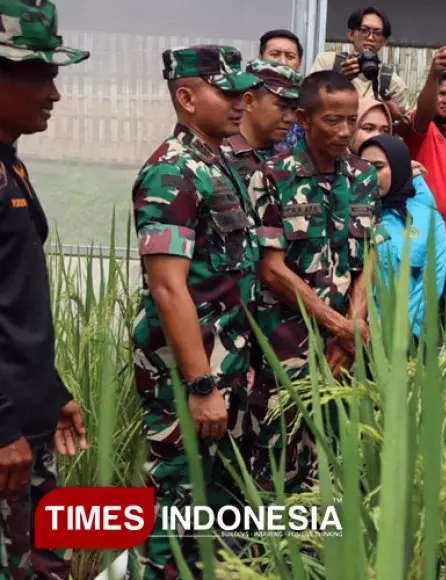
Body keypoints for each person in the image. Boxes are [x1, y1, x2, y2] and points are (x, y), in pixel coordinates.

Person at [130, 45, 262, 579]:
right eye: (226, 92)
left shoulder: (216, 162)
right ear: (186, 97)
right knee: (175, 515)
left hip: (225, 370)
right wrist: (202, 386)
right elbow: (168, 289)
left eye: (242, 92)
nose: (240, 102)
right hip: (189, 382)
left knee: (213, 514)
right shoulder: (171, 172)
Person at [247, 71, 384, 484]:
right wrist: (338, 326)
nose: (345, 131)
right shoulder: (272, 176)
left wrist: (351, 331)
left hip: (347, 348)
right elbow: (272, 269)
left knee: (340, 461)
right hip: (288, 348)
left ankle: (326, 549)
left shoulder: (361, 177)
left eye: (351, 120)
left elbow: (368, 260)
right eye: (333, 120)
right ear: (305, 118)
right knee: (280, 462)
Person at [0, 2, 89, 578]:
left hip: (27, 418)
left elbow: (15, 300)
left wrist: (50, 389)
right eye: (40, 75)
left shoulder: (10, 165)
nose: (54, 92)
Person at [360, 135, 446, 339]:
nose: (369, 176)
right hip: (356, 334)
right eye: (363, 168)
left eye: (378, 167)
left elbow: (432, 278)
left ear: (399, 168)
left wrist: (401, 326)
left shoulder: (426, 217)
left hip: (408, 335)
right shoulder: (348, 214)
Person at [406, 47, 446, 232]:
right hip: (421, 232)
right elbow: (424, 112)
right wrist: (434, 74)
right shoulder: (423, 127)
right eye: (441, 94)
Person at [309, 6, 410, 117]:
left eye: (377, 33)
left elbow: (406, 128)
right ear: (350, 34)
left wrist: (395, 115)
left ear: (384, 41)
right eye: (364, 30)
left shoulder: (392, 82)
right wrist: (339, 78)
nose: (370, 37)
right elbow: (307, 100)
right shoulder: (327, 62)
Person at [224, 59, 301, 185]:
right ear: (249, 101)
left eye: (294, 109)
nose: (290, 118)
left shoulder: (289, 160)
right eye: (282, 107)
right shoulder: (221, 156)